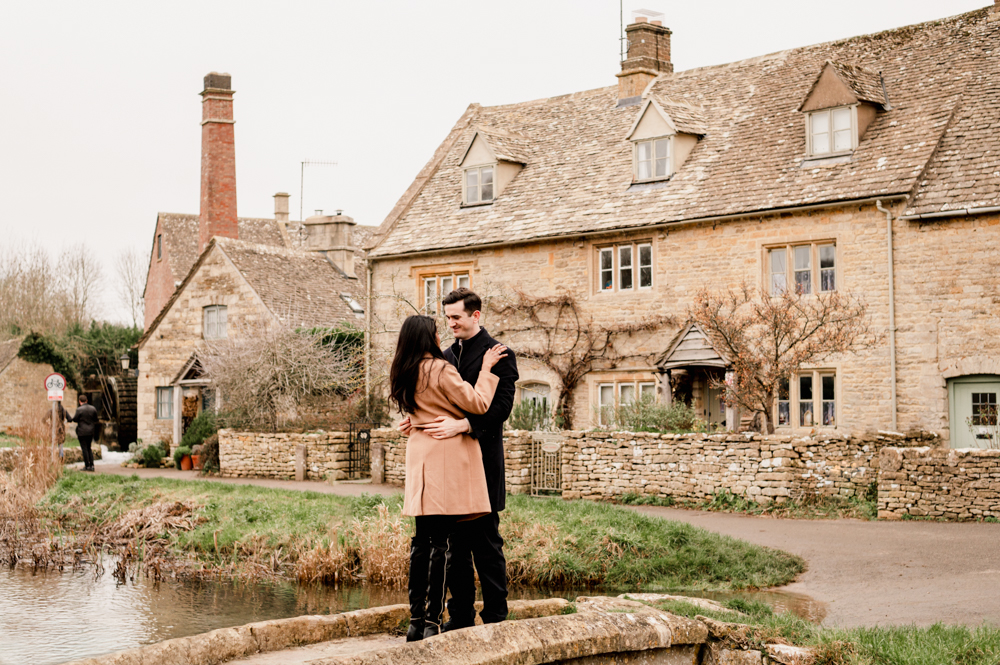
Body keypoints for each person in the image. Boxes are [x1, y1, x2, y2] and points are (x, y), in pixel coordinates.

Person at [390, 314, 508, 641]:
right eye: (436, 329)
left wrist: (415, 421)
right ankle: (431, 622)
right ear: (427, 336)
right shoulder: (439, 368)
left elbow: (415, 413)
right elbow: (479, 403)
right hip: (443, 459)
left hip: (420, 459)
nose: (442, 332)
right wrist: (485, 370)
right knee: (441, 545)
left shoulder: (403, 369)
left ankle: (416, 619)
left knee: (420, 542)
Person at [416, 288, 519, 630]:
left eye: (456, 317)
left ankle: (495, 619)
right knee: (455, 550)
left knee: (486, 547)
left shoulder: (500, 354)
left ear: (476, 316)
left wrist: (464, 425)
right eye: (447, 318)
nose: (451, 324)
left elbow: (501, 409)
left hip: (484, 464)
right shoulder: (443, 356)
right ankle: (459, 618)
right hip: (451, 470)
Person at [69, 394, 100, 471]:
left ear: (79, 401)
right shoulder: (93, 408)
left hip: (82, 432)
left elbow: (75, 419)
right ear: (87, 401)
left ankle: (87, 466)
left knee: (84, 449)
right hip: (91, 431)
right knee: (89, 448)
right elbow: (96, 419)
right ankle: (92, 465)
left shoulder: (79, 409)